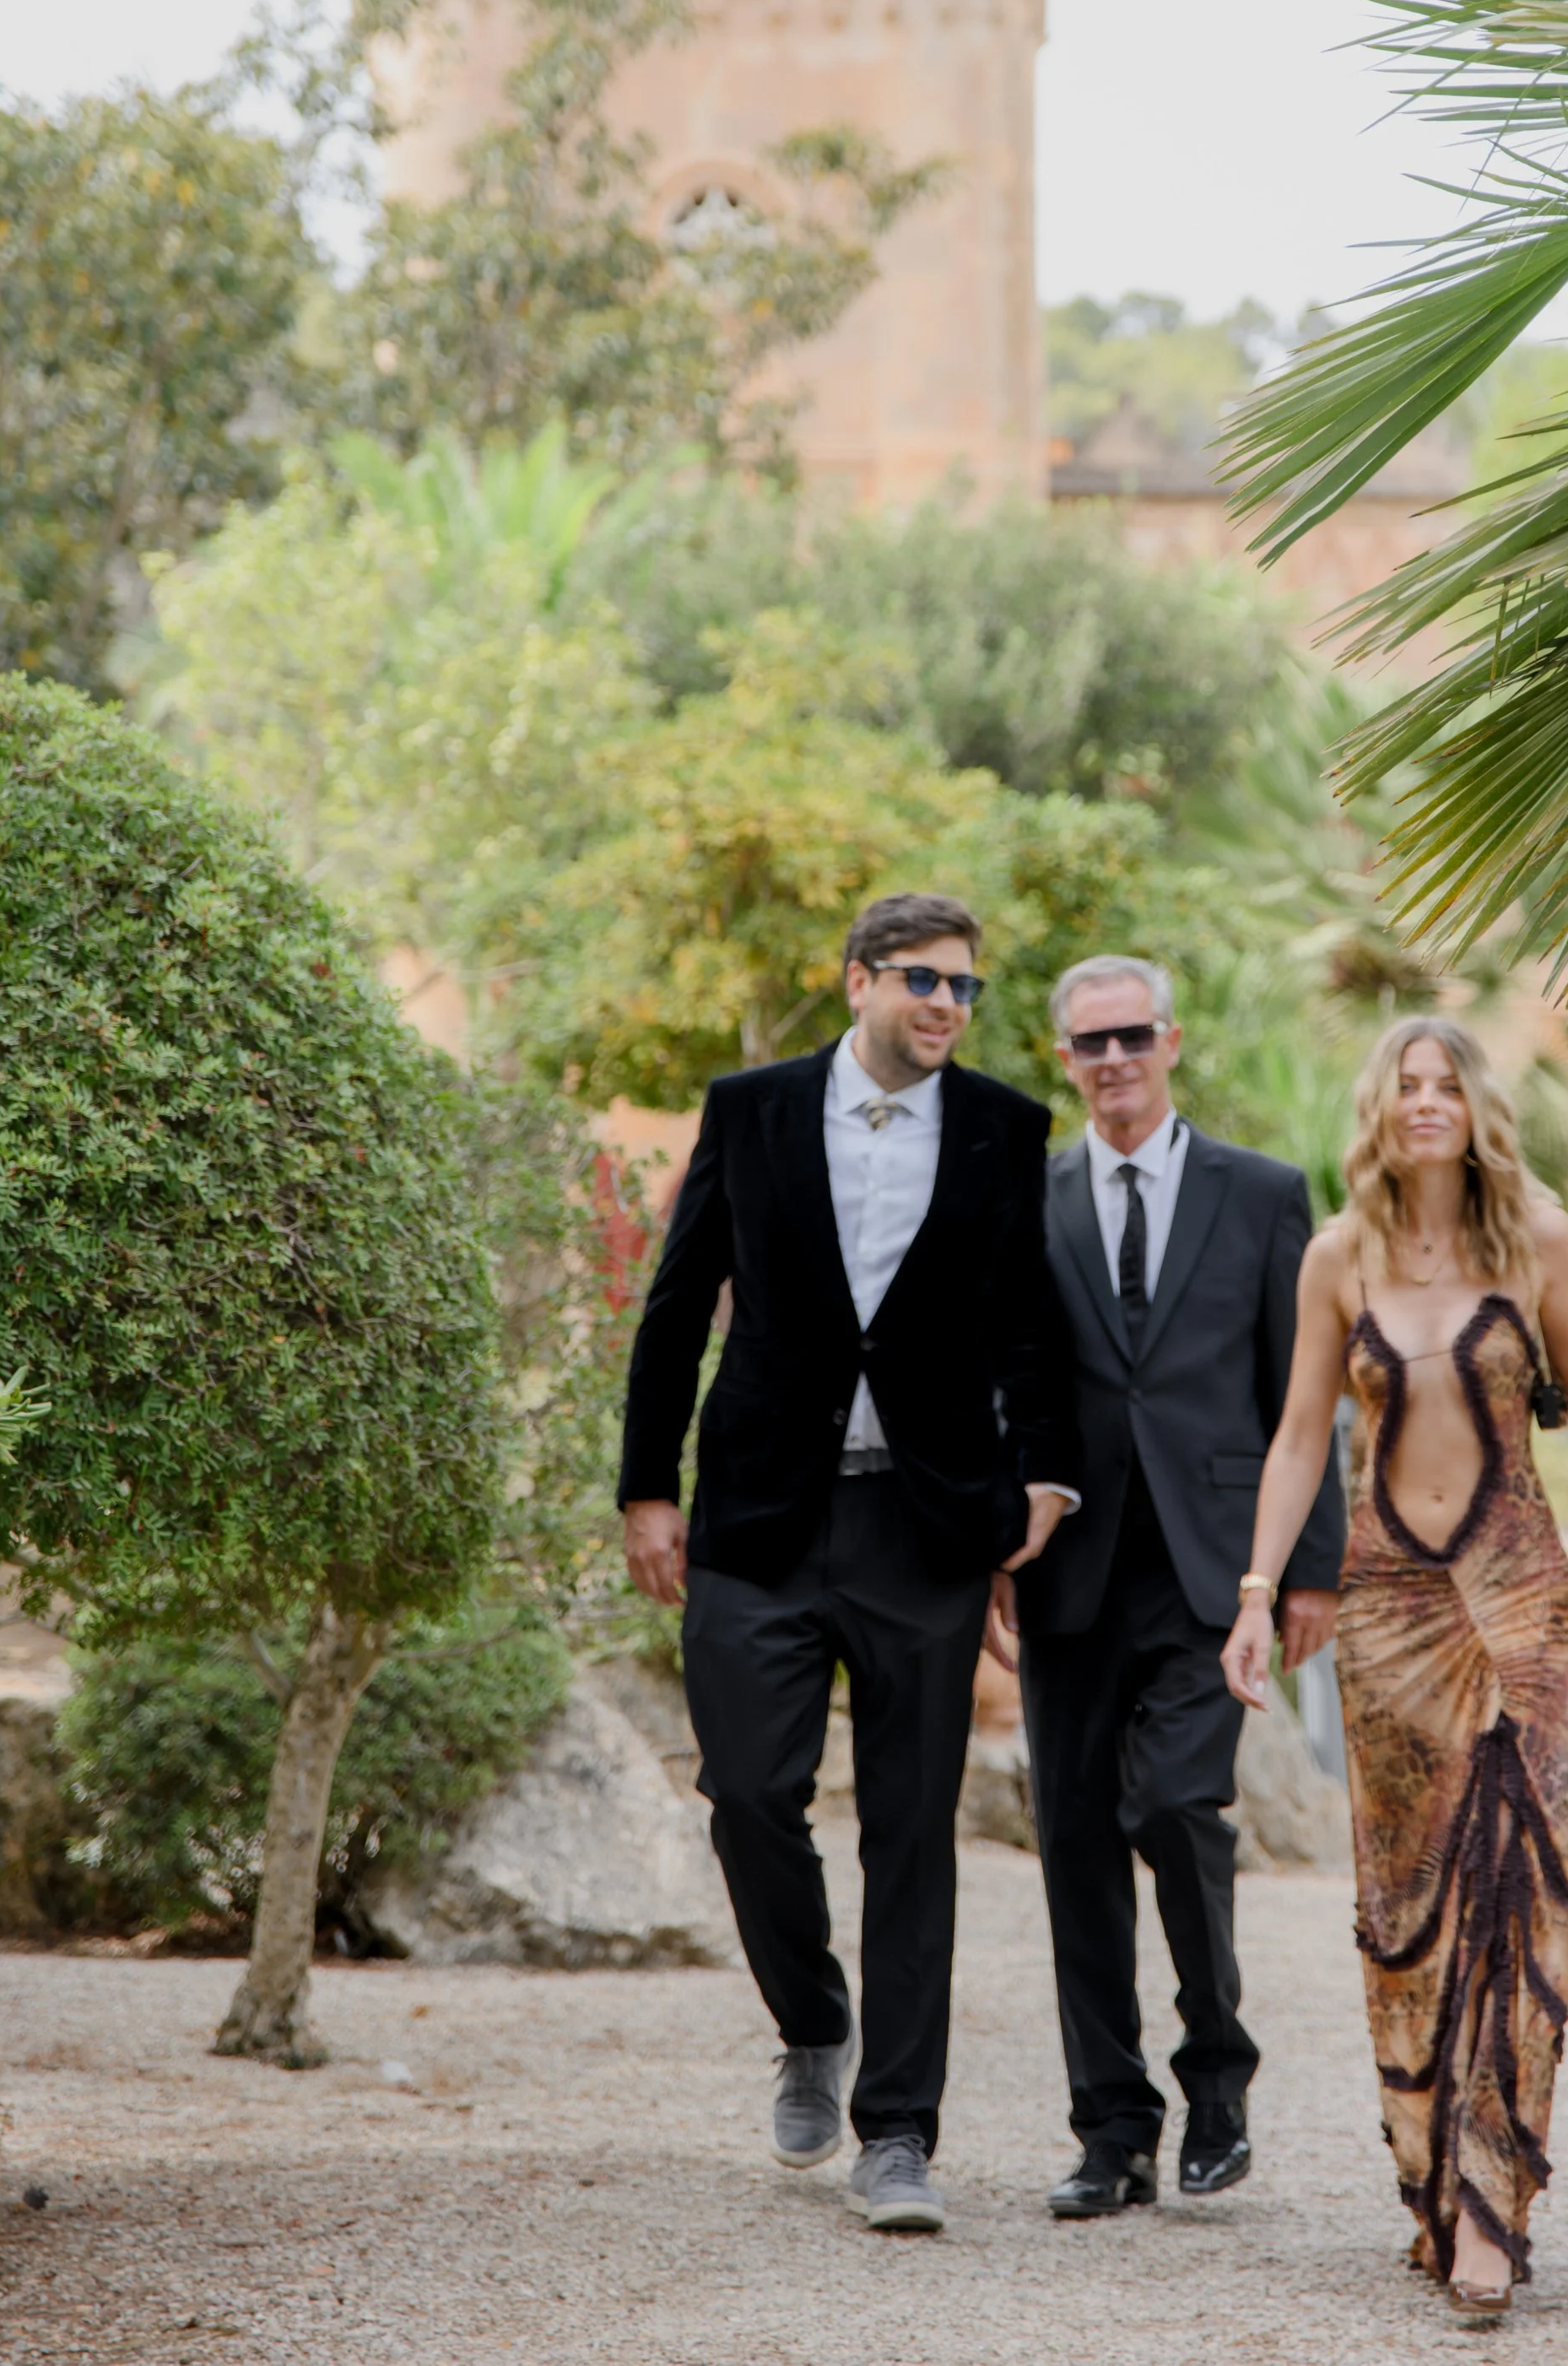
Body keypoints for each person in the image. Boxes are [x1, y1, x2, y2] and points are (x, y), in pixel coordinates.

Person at [620, 891, 1079, 2235]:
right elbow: (673, 1304)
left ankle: (899, 2133)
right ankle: (812, 2023)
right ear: (858, 983)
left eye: (966, 989)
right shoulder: (752, 1108)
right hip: (759, 1515)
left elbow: (1029, 1330)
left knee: (911, 1833)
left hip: (925, 1526)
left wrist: (1041, 1479)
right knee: (749, 1793)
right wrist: (649, 1488)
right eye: (923, 981)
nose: (947, 1006)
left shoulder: (1004, 1128)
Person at [1222, 1017, 1568, 2320]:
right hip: (1387, 1604)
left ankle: (1492, 2205)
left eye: (1448, 1086)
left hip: (1518, 1595)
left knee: (1520, 1883)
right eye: (1407, 1087)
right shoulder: (1335, 1256)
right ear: (1381, 1108)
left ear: (1478, 1107)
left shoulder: (1536, 1232)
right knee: (1411, 1902)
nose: (1428, 1104)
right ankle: (1431, 2183)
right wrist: (1257, 1596)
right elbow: (1302, 1435)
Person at [1003, 954, 1344, 2222]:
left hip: (1215, 1568)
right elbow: (1009, 1394)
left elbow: (1305, 1403)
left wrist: (1307, 1571)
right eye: (1090, 1043)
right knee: (1076, 1844)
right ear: (1064, 1058)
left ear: (1172, 1040)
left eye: (1132, 1035)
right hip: (1069, 1568)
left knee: (1178, 1807)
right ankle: (1111, 2130)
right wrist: (996, 1543)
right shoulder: (1026, 1204)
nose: (1113, 1059)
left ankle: (1219, 2074)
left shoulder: (1261, 1196)